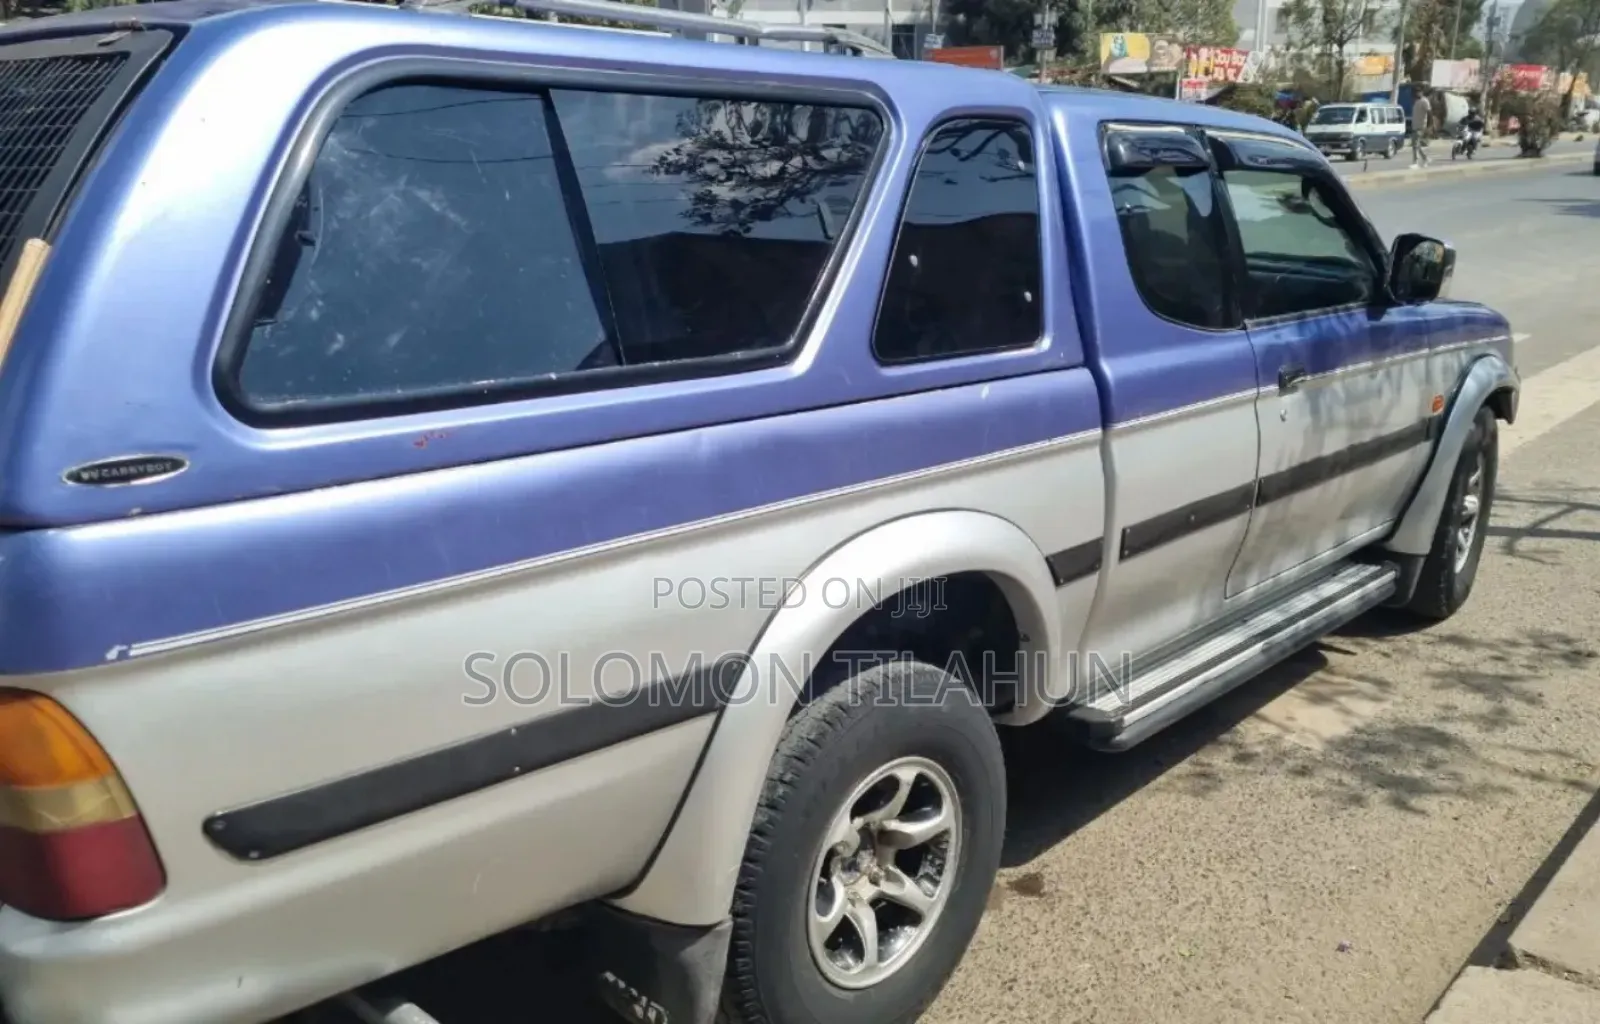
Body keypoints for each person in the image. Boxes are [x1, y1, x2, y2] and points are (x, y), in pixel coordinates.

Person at [1410, 93, 1432, 168]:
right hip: (1415, 126)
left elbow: (1429, 113)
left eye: (1418, 92)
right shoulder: (1416, 102)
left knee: (1415, 144)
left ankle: (1415, 162)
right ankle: (1425, 158)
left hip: (1421, 126)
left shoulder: (1424, 101)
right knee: (1416, 145)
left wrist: (1429, 125)